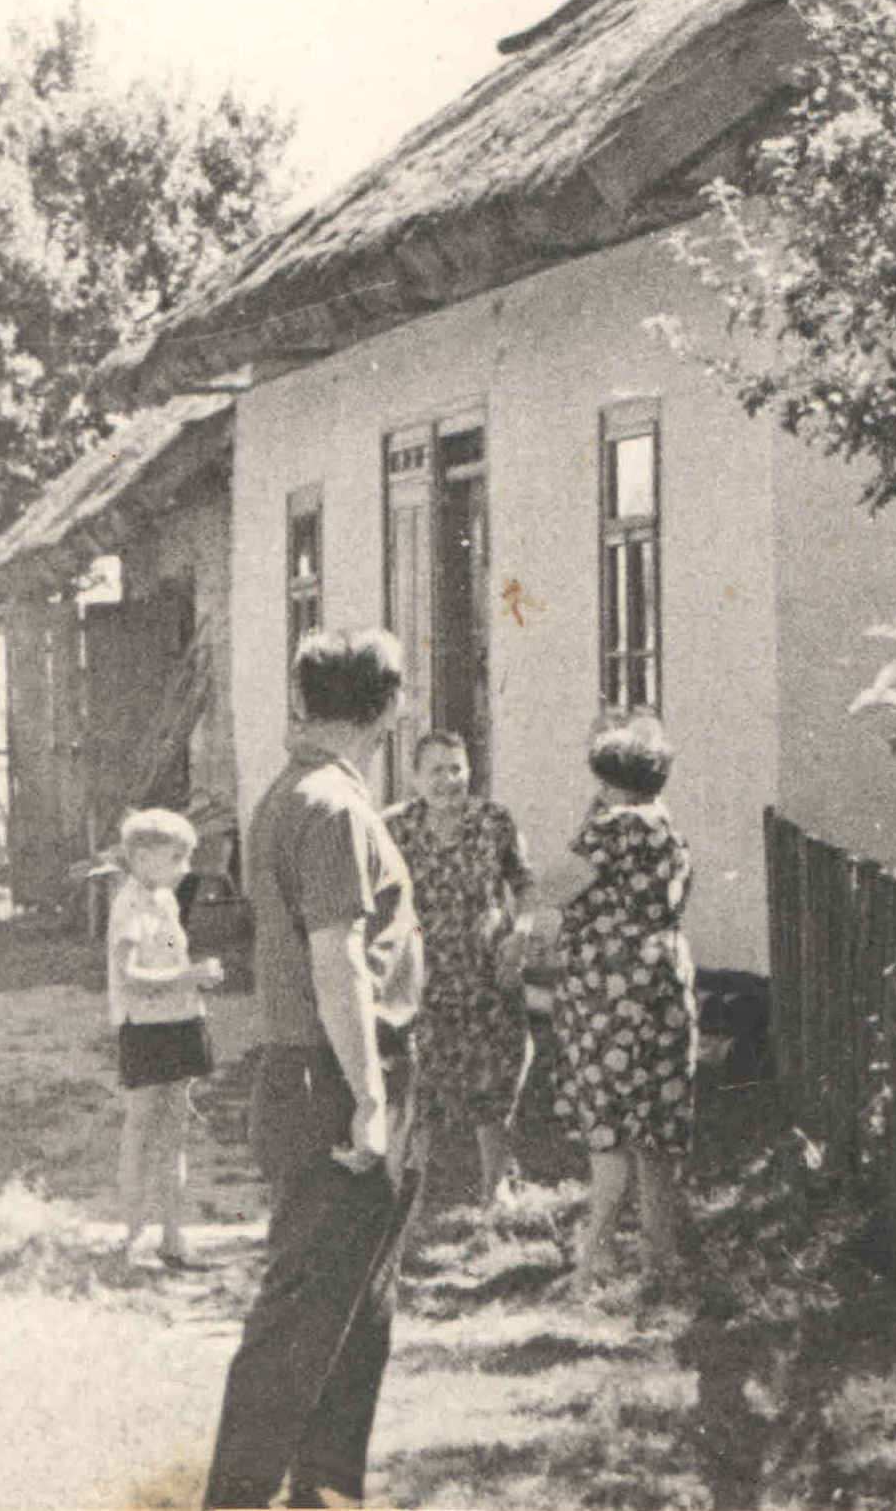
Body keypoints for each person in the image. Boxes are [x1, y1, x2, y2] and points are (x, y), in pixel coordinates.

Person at [202, 629, 427, 1511]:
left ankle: (323, 1492)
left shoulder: (301, 792)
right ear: (388, 705)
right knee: (302, 1315)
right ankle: (237, 1498)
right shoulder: (332, 807)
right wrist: (368, 1097)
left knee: (356, 1300)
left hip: (327, 1071)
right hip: (334, 1076)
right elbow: (337, 964)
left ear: (306, 699)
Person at [547, 712, 697, 1289]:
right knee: (656, 1125)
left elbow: (556, 887)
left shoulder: (609, 830)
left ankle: (595, 1261)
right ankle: (660, 1259)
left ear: (609, 779)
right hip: (663, 980)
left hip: (611, 988)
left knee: (607, 1122)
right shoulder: (668, 830)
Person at [387, 730, 534, 1207]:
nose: (448, 780)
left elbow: (524, 885)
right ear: (415, 777)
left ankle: (496, 1184)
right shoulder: (396, 828)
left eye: (456, 768)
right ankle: (409, 1191)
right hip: (424, 974)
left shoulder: (495, 821)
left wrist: (522, 931)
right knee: (421, 1080)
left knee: (496, 1075)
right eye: (436, 770)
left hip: (487, 970)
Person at [106, 805, 224, 1270]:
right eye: (177, 858)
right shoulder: (129, 905)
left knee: (175, 1132)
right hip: (145, 1027)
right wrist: (187, 977)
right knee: (140, 1130)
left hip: (180, 1022)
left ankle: (173, 1238)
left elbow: (173, 961)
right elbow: (129, 977)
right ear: (142, 857)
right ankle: (131, 1238)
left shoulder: (166, 901)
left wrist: (194, 976)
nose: (185, 868)